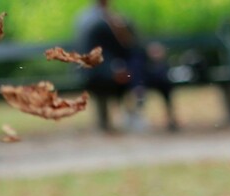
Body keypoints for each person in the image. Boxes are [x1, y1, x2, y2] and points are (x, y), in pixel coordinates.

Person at [74, 0, 177, 132]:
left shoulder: (117, 18)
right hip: (101, 73)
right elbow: (91, 55)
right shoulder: (91, 22)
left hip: (127, 70)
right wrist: (111, 71)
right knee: (131, 72)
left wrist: (150, 51)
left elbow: (133, 46)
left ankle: (137, 100)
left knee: (144, 70)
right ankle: (135, 100)